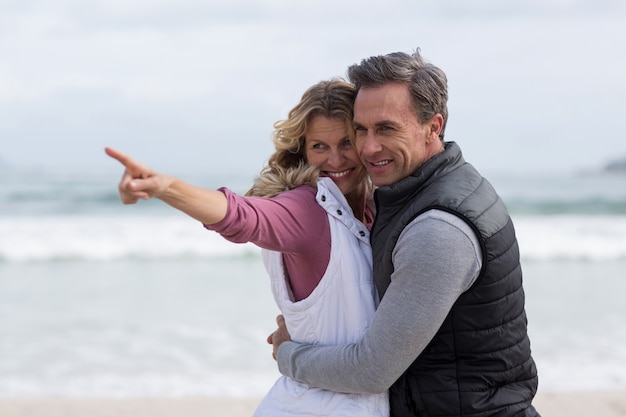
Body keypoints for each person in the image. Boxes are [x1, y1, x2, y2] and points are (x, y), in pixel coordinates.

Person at [270, 49, 541, 416]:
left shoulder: (437, 229)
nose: (368, 148)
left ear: (434, 126)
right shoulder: (435, 187)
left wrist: (288, 353)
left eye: (386, 128)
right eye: (360, 130)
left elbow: (371, 370)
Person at [105, 78, 389, 417]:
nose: (335, 159)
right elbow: (243, 216)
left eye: (346, 142)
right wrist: (167, 188)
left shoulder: (372, 210)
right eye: (319, 147)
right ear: (302, 151)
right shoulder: (307, 209)